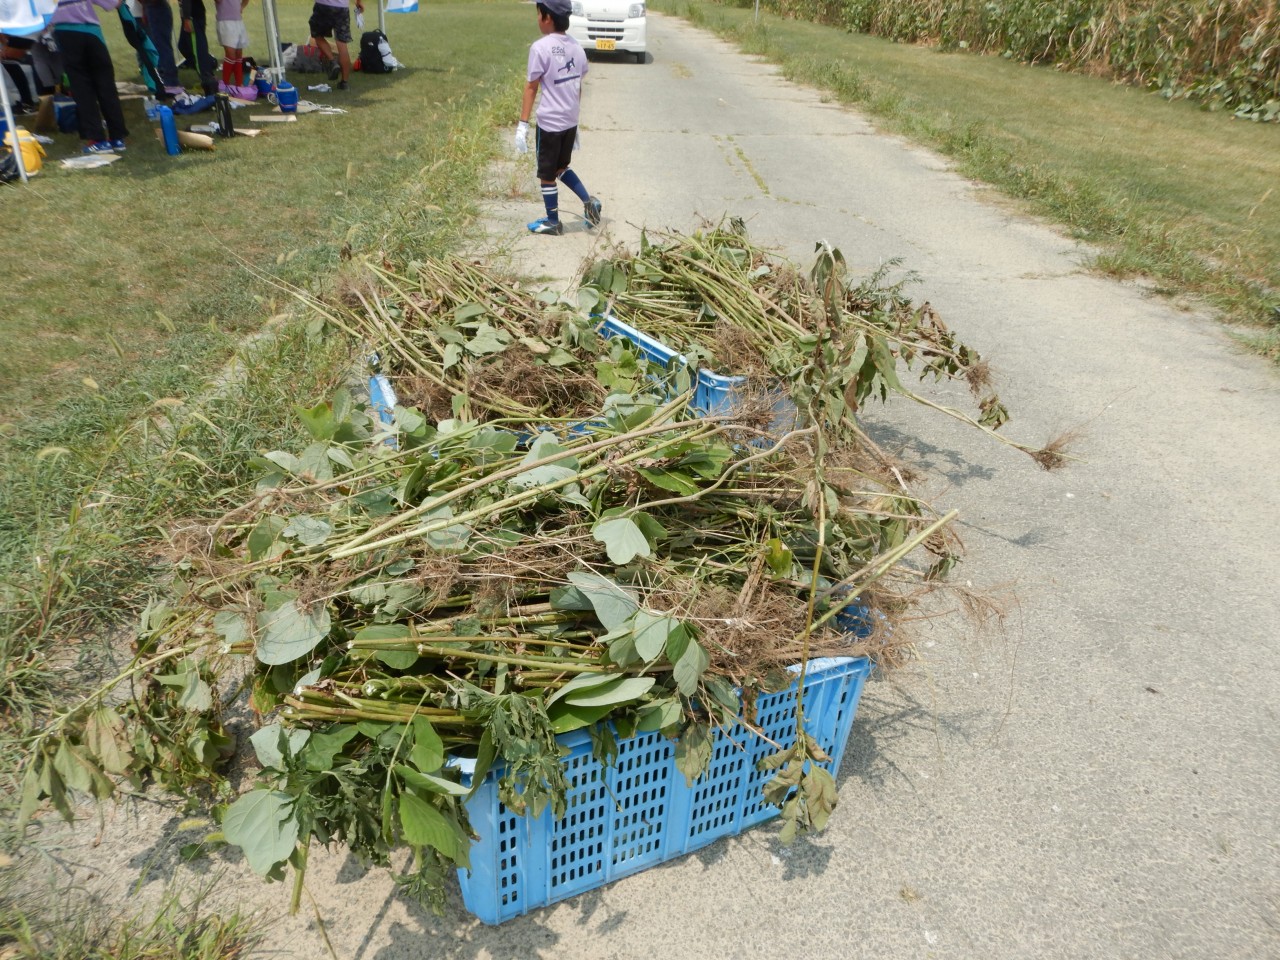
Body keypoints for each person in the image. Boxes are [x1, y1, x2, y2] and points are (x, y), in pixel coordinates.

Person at [514, 0, 602, 237]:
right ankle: (589, 202)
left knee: (547, 175)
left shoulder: (540, 48)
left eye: (538, 14)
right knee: (561, 167)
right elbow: (577, 85)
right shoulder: (577, 47)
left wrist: (522, 125)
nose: (538, 19)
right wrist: (575, 118)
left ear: (548, 18)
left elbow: (531, 87)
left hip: (550, 124)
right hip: (569, 121)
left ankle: (553, 221)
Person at [50, 0, 130, 153]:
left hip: (66, 33)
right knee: (106, 86)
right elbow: (113, 3)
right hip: (93, 33)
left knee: (82, 88)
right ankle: (118, 137)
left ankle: (97, 139)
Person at [308, 0, 361, 91]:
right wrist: (359, 3)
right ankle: (344, 83)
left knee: (317, 35)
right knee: (342, 44)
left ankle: (332, 61)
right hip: (342, 8)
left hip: (323, 5)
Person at [138, 0, 184, 97]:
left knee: (162, 47)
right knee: (160, 46)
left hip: (157, 8)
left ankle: (171, 82)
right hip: (153, 8)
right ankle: (168, 81)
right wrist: (145, 9)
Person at [177, 0, 219, 93]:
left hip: (193, 16)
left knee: (197, 51)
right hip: (190, 15)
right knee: (183, 46)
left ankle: (208, 81)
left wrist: (187, 18)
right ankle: (210, 63)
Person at [214, 0, 249, 87]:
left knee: (238, 54)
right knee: (231, 55)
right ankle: (224, 85)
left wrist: (242, 6)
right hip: (225, 21)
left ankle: (239, 84)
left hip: (238, 21)